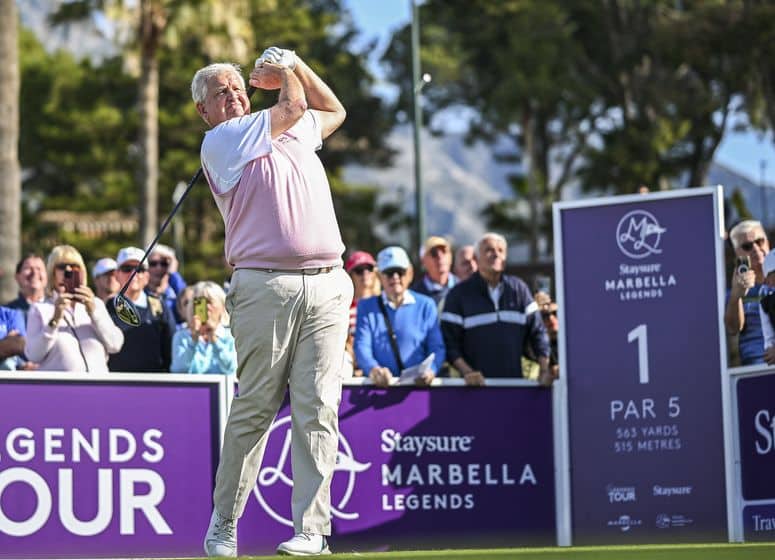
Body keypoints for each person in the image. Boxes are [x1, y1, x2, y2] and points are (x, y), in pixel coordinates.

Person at [192, 46, 351, 557]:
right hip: (265, 286)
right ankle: (224, 523)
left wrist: (298, 65)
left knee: (318, 408)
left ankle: (312, 530)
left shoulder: (292, 128)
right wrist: (284, 73)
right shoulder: (223, 139)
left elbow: (333, 110)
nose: (234, 96)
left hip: (328, 283)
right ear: (204, 110)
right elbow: (295, 106)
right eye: (221, 92)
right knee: (256, 407)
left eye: (238, 87)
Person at [441, 232, 551, 386]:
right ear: (476, 259)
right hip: (474, 390)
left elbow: (538, 332)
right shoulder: (458, 295)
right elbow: (449, 342)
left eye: (501, 250)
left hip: (515, 387)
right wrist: (467, 372)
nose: (496, 254)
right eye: (489, 250)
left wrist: (544, 369)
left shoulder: (519, 290)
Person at [354, 246, 445, 388]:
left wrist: (431, 370)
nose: (395, 277)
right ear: (379, 276)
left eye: (400, 271)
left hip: (418, 390)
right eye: (389, 272)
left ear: (409, 273)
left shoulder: (426, 305)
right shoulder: (366, 307)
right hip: (380, 390)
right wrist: (374, 369)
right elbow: (362, 346)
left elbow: (437, 347)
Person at [24, 245, 124, 372]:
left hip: (97, 382)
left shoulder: (96, 304)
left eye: (74, 266)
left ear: (82, 271)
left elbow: (115, 345)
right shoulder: (40, 308)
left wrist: (94, 313)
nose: (68, 270)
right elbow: (33, 355)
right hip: (61, 384)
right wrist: (54, 320)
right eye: (62, 266)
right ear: (52, 272)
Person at [106, 247, 177, 373]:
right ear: (116, 275)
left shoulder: (159, 307)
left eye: (139, 269)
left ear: (147, 276)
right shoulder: (106, 307)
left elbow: (170, 348)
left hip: (154, 381)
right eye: (127, 269)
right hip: (117, 381)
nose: (133, 274)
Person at [724, 220, 771, 365]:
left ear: (768, 244)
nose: (756, 249)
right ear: (736, 255)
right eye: (747, 246)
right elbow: (733, 328)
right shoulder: (731, 294)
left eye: (760, 241)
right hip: (754, 370)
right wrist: (736, 296)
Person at [171, 281, 236, 375]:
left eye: (209, 302)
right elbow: (179, 370)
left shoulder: (231, 336)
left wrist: (214, 338)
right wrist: (194, 339)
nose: (206, 307)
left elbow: (232, 369)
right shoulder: (181, 337)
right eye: (200, 302)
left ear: (222, 306)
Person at [344, 250, 380, 376]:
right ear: (350, 276)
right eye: (359, 270)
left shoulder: (384, 303)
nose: (365, 274)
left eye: (369, 269)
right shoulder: (344, 307)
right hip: (351, 367)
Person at [410, 235, 459, 308]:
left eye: (444, 251)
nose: (440, 257)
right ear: (423, 261)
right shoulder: (414, 296)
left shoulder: (463, 287)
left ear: (450, 257)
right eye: (434, 253)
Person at [147, 244, 187, 324]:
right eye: (153, 264)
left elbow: (188, 301)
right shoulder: (139, 294)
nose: (159, 268)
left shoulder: (176, 294)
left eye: (164, 264)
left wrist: (173, 274)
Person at [5, 254, 47, 323]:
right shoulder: (6, 313)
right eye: (28, 268)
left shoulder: (55, 309)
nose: (35, 272)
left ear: (47, 276)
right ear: (17, 277)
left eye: (39, 269)